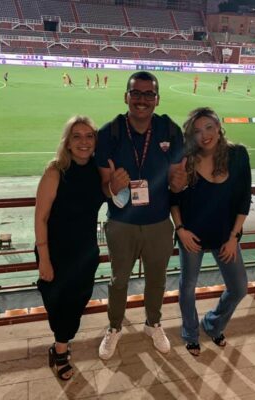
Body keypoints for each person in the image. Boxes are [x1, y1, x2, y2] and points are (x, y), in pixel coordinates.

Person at [95, 71, 187, 360]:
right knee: (118, 280)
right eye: (136, 93)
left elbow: (177, 180)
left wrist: (179, 182)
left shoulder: (169, 130)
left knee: (157, 280)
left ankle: (153, 323)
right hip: (121, 223)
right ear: (126, 97)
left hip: (159, 223)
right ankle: (114, 327)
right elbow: (104, 186)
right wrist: (112, 186)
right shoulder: (109, 133)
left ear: (157, 99)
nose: (142, 100)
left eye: (149, 94)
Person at [171, 107, 251, 356]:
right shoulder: (185, 159)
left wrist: (234, 236)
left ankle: (213, 324)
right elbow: (172, 199)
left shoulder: (238, 155)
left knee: (239, 288)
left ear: (218, 128)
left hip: (225, 236)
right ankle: (190, 333)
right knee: (187, 287)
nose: (204, 135)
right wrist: (180, 230)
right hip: (191, 236)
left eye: (208, 127)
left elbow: (244, 199)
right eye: (197, 131)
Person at [35, 115, 104, 380]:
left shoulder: (98, 170)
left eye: (89, 136)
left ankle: (61, 344)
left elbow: (110, 193)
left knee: (77, 301)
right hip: (56, 252)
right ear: (67, 142)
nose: (83, 142)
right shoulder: (55, 172)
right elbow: (40, 218)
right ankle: (60, 348)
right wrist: (44, 258)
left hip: (85, 252)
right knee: (57, 302)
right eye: (77, 136)